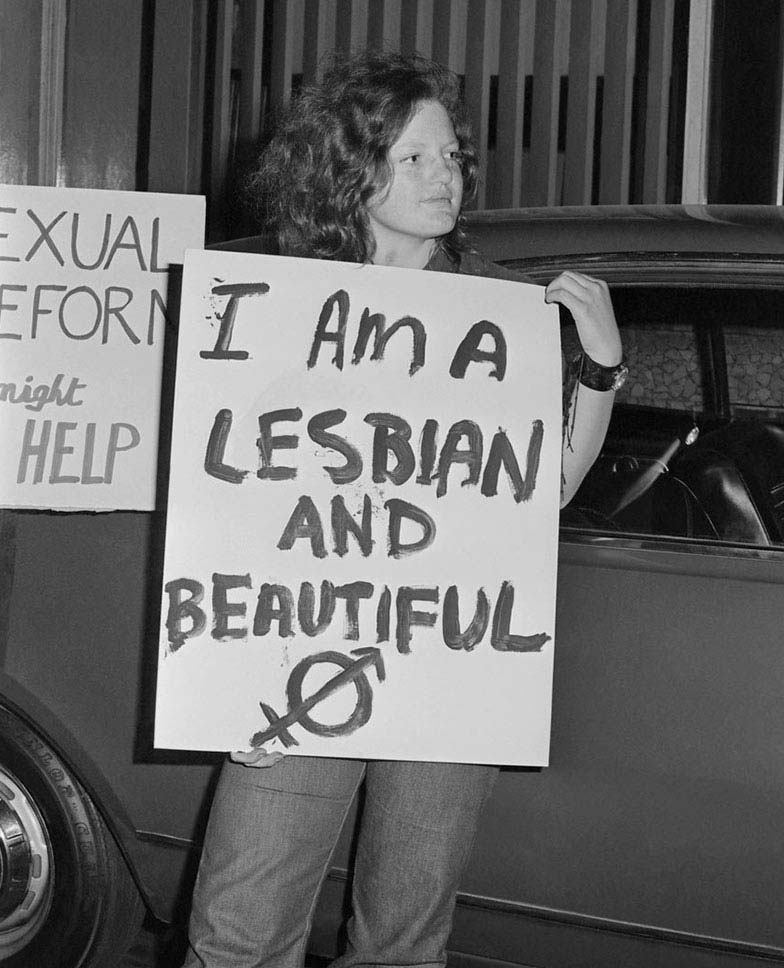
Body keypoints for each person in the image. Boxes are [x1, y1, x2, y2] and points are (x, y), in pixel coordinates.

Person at [183, 50, 623, 968]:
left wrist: (603, 369)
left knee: (404, 947)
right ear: (352, 167)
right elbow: (228, 506)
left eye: (451, 157)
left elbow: (543, 492)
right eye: (413, 158)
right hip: (295, 656)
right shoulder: (278, 307)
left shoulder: (501, 313)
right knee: (237, 933)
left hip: (447, 667)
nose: (443, 178)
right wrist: (225, 675)